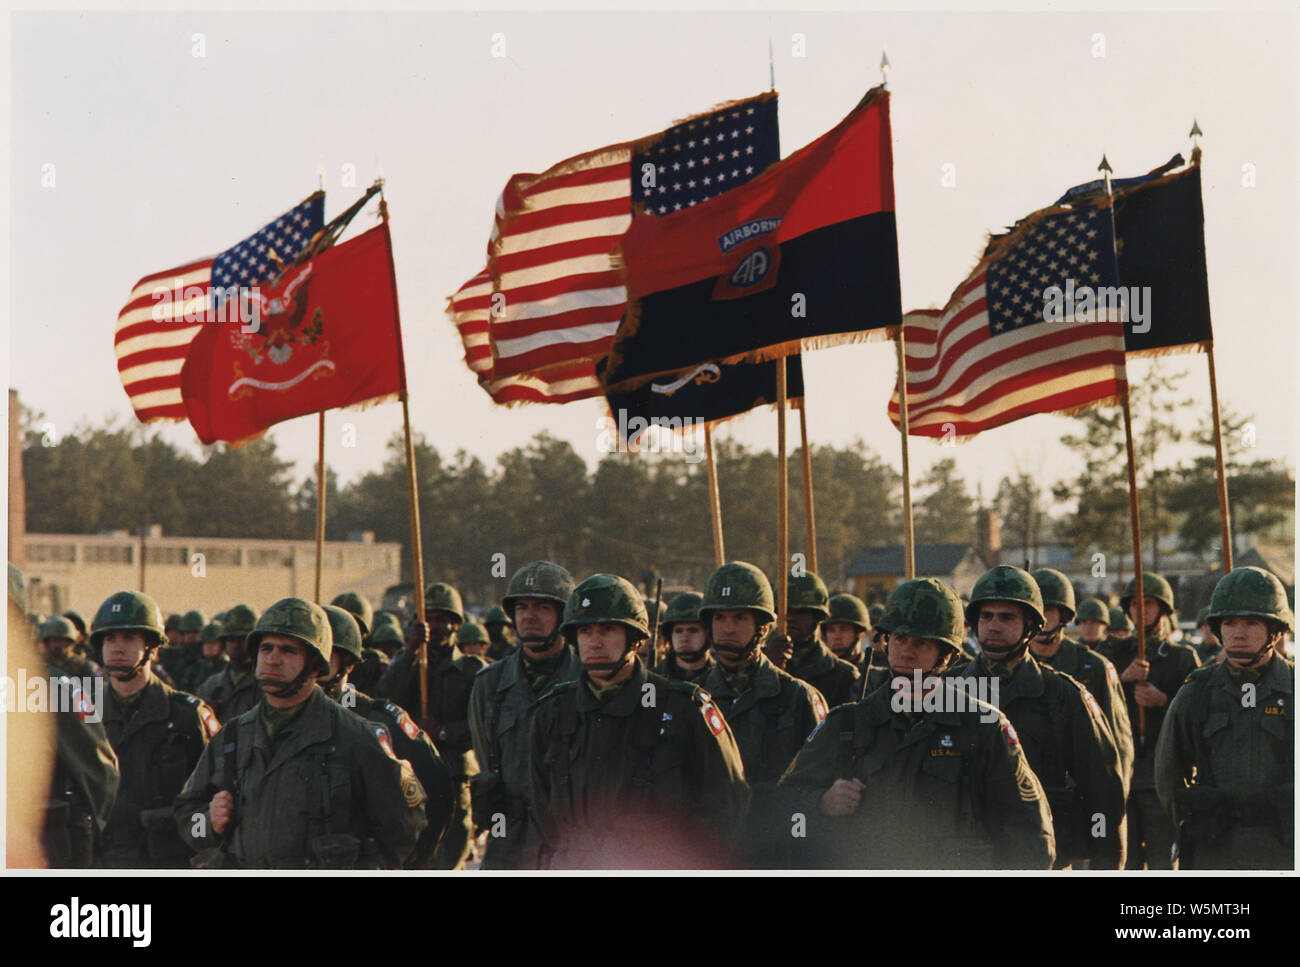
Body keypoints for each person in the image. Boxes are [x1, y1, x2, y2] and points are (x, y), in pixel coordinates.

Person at [778, 578, 1055, 869]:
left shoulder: (984, 727)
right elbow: (784, 803)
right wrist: (822, 802)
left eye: (921, 643)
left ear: (946, 655)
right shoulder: (846, 723)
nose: (906, 652)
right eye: (899, 639)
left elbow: (1029, 835)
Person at [175, 597, 427, 869]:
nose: (272, 659)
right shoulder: (232, 737)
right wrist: (209, 821)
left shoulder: (356, 736)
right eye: (266, 648)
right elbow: (187, 819)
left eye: (288, 651)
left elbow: (405, 828)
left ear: (316, 665)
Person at [528, 574, 748, 869]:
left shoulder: (684, 709)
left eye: (607, 630)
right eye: (585, 632)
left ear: (633, 639)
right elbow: (544, 814)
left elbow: (727, 806)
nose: (594, 641)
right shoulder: (552, 714)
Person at [950, 566, 1127, 869]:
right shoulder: (947, 692)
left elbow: (1103, 794)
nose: (993, 626)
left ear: (1031, 626)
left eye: (1007, 617)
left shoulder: (1063, 695)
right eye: (986, 616)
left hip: (1042, 858)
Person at [1156, 567, 1294, 869]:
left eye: (1251, 622)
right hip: (1215, 848)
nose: (1238, 632)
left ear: (1274, 629)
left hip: (1283, 848)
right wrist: (1194, 819)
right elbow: (1168, 773)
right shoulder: (1198, 691)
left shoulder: (1293, 689)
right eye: (1229, 622)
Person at [698, 561, 825, 866]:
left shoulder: (798, 697)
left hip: (776, 850)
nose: (728, 627)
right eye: (720, 617)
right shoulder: (691, 698)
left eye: (740, 617)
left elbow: (818, 784)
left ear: (763, 627)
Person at [320, 604, 454, 867]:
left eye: (321, 655)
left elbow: (434, 797)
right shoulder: (264, 725)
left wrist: (408, 864)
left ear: (346, 660)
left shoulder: (380, 721)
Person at [93, 590, 219, 868]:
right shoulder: (84, 712)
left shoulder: (187, 715)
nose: (117, 646)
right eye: (109, 638)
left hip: (164, 860)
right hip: (100, 859)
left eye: (129, 638)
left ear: (151, 647)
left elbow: (212, 798)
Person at [468, 561, 581, 870]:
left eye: (542, 607)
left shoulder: (586, 681)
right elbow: (486, 758)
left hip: (570, 838)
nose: (529, 616)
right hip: (510, 838)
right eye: (522, 607)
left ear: (563, 615)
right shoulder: (489, 684)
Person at [378, 582, 486, 869]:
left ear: (456, 624)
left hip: (454, 775)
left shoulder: (473, 671)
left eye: (443, 619)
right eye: (429, 619)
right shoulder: (409, 665)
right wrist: (410, 651)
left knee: (450, 853)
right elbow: (386, 699)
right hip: (412, 774)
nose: (435, 626)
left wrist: (441, 731)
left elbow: (480, 725)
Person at [1109, 572, 1200, 870]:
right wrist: (1120, 681)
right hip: (1120, 771)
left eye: (1149, 603)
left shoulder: (1182, 658)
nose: (1141, 609)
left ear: (1163, 608)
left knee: (1164, 857)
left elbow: (1198, 713)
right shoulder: (1111, 654)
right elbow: (1090, 703)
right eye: (1135, 603)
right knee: (1125, 858)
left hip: (1164, 771)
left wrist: (1164, 701)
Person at [1030, 568, 1134, 792]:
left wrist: (1114, 805)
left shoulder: (1095, 667)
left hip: (1077, 796)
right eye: (1032, 610)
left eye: (1047, 610)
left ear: (1064, 616)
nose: (1039, 618)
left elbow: (1118, 744)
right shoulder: (1012, 669)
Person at [779, 573, 861, 707]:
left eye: (800, 612)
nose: (791, 618)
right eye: (785, 611)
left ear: (817, 616)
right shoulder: (758, 669)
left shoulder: (843, 676)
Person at [197, 604, 263, 722]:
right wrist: (204, 714)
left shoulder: (266, 685)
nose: (236, 645)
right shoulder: (211, 685)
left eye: (242, 639)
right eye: (231, 639)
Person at [653, 591, 713, 685]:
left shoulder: (723, 680)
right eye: (678, 631)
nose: (684, 638)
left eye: (693, 630)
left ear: (709, 634)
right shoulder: (651, 681)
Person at [822, 592, 873, 674]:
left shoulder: (875, 677)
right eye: (831, 630)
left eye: (844, 629)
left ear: (860, 633)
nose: (837, 636)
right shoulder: (818, 673)